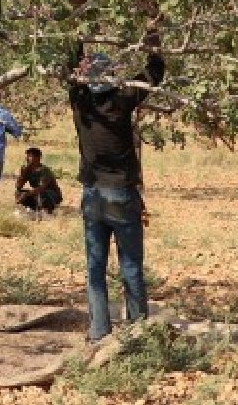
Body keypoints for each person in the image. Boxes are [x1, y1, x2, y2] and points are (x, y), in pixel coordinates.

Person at [69, 30, 164, 342]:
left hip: (92, 195)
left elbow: (70, 64)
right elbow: (154, 72)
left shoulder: (80, 102)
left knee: (95, 266)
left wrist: (75, 33)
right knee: (131, 265)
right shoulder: (122, 102)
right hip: (121, 194)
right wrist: (152, 36)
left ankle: (99, 330)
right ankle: (137, 331)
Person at [15, 147, 62, 216]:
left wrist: (26, 194)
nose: (27, 158)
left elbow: (41, 188)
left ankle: (46, 211)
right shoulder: (28, 169)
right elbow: (18, 186)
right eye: (27, 156)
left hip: (51, 195)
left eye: (30, 156)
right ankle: (32, 208)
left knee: (40, 193)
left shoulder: (44, 170)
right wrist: (23, 174)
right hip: (38, 194)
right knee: (19, 192)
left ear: (38, 158)